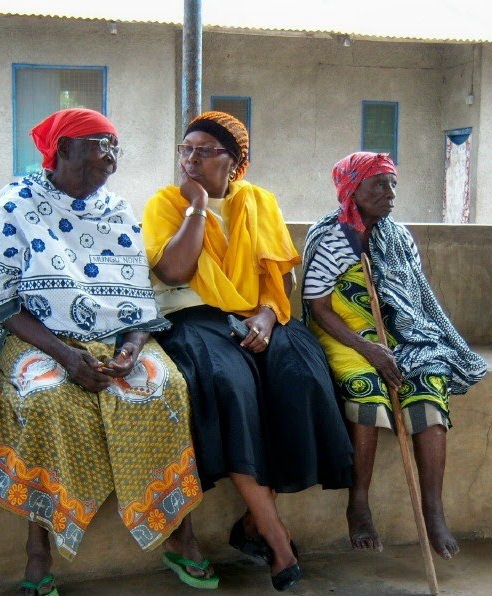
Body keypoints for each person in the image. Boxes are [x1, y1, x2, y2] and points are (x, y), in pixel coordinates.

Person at [0, 109, 207, 595]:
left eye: (115, 148)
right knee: (47, 398)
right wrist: (67, 356)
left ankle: (179, 533)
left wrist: (133, 349)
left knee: (164, 387)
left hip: (114, 337)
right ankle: (38, 550)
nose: (111, 159)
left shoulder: (115, 210)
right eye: (101, 146)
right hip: (36, 336)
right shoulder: (17, 205)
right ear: (64, 150)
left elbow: (137, 298)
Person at [142, 111, 353, 591]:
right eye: (185, 150)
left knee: (300, 373)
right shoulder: (165, 204)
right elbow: (174, 272)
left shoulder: (259, 202)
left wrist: (264, 316)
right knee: (229, 386)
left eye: (204, 152)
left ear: (234, 163)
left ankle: (252, 524)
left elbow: (281, 276)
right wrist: (196, 205)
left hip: (258, 315)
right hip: (192, 319)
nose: (190, 160)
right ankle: (275, 535)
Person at [302, 152, 487, 558]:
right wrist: (369, 347)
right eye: (379, 185)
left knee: (428, 384)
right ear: (353, 190)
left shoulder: (398, 237)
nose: (390, 194)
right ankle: (359, 503)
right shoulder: (330, 238)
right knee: (367, 388)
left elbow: (414, 299)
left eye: (392, 185)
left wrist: (400, 343)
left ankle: (433, 510)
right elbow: (319, 307)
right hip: (344, 331)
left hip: (398, 333)